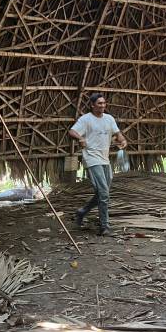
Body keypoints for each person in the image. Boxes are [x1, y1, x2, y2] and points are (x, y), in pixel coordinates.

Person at [68, 93, 127, 235]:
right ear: (92, 105)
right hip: (92, 158)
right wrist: (81, 138)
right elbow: (72, 131)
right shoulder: (86, 119)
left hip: (104, 159)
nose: (102, 106)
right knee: (104, 193)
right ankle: (104, 226)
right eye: (99, 103)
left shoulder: (109, 119)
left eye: (104, 103)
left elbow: (118, 134)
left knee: (102, 192)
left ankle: (82, 211)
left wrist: (123, 141)